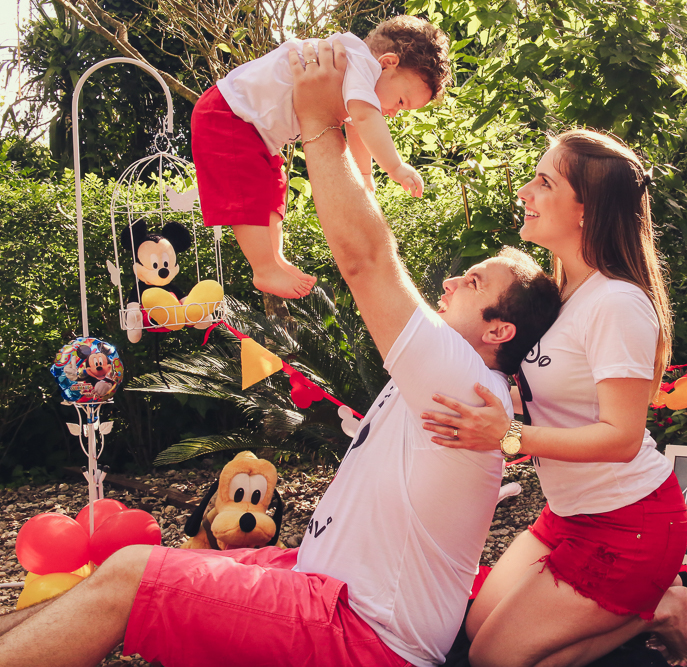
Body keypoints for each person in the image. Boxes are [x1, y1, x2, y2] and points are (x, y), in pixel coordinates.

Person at [0, 41, 561, 667]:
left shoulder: (458, 376)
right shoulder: (451, 370)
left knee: (131, 573)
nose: (453, 281)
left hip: (361, 635)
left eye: (476, 283)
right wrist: (349, 149)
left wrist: (320, 122)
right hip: (322, 586)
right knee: (141, 571)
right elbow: (370, 241)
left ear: (499, 332)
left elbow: (367, 259)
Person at [419, 129, 687, 667]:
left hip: (631, 523)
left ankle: (654, 608)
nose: (524, 191)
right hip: (568, 513)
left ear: (585, 212)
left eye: (543, 182)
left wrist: (506, 436)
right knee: (474, 629)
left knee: (494, 661)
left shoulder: (617, 303)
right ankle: (655, 603)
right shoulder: (562, 291)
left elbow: (621, 439)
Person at [189, 15, 450, 300]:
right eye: (401, 101)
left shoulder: (355, 73)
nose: (393, 113)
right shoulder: (360, 62)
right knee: (247, 190)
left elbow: (354, 124)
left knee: (273, 185)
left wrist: (365, 176)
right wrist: (395, 167)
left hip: (251, 128)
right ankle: (263, 267)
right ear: (387, 63)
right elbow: (364, 118)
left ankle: (275, 258)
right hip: (228, 113)